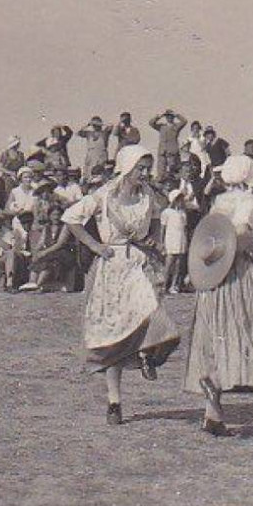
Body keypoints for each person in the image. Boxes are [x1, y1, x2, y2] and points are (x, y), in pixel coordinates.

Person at [58, 144, 181, 424]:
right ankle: (114, 402)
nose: (145, 172)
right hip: (112, 267)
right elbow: (71, 217)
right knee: (113, 336)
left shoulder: (148, 195)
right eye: (140, 167)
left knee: (154, 316)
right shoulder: (105, 195)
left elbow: (153, 224)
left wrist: (153, 243)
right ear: (127, 168)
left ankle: (148, 355)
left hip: (138, 264)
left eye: (147, 167)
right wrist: (95, 245)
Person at [182, 155, 253, 436]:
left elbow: (212, 237)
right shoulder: (249, 203)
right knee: (240, 327)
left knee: (214, 333)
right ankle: (227, 394)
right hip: (236, 272)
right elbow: (244, 236)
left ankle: (213, 412)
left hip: (214, 272)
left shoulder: (220, 201)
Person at [160, 189, 190, 294]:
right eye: (179, 199)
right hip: (170, 239)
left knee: (178, 264)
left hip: (181, 239)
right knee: (169, 263)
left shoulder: (183, 213)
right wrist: (162, 243)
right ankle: (164, 285)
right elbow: (163, 229)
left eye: (182, 199)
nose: (181, 201)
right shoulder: (167, 212)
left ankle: (174, 285)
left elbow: (185, 229)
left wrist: (186, 242)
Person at [150, 109, 187, 179]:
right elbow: (151, 123)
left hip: (172, 153)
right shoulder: (162, 127)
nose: (169, 118)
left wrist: (176, 114)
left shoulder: (176, 126)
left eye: (171, 116)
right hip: (162, 152)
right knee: (161, 173)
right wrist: (159, 116)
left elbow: (184, 121)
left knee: (173, 173)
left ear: (173, 117)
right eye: (167, 116)